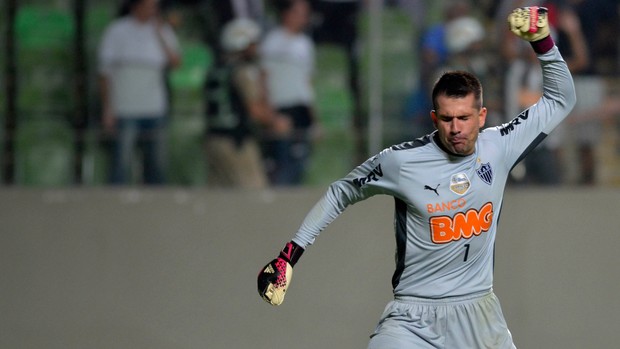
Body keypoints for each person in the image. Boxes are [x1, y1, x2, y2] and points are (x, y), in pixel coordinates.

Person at [257, 6, 576, 348]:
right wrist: (289, 254)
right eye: (447, 118)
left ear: (482, 116)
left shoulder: (500, 146)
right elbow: (341, 191)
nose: (456, 129)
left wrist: (543, 41)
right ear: (434, 117)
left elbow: (561, 99)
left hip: (480, 318)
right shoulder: (401, 162)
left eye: (465, 118)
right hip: (412, 320)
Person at [98, 0, 181, 185]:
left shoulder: (162, 31)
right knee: (121, 162)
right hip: (125, 107)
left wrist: (160, 32)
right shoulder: (117, 31)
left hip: (154, 107)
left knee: (156, 163)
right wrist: (108, 108)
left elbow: (176, 63)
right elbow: (104, 74)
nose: (153, 10)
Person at [204, 18, 291, 188]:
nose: (256, 48)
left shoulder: (215, 69)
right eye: (253, 43)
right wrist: (275, 121)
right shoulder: (242, 71)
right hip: (236, 141)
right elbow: (254, 109)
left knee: (217, 195)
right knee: (254, 190)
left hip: (212, 139)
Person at [260, 0, 319, 186]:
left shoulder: (305, 45)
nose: (304, 18)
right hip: (280, 108)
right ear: (286, 14)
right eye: (299, 13)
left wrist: (315, 119)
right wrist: (270, 114)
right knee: (280, 163)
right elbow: (263, 80)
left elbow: (307, 84)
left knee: (299, 163)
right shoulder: (271, 41)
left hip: (300, 109)